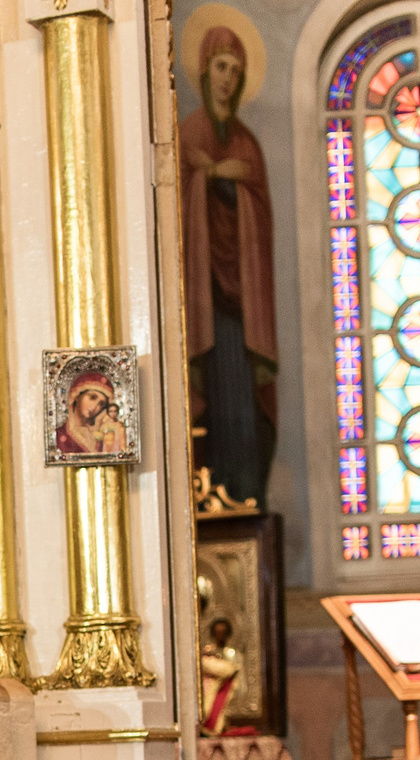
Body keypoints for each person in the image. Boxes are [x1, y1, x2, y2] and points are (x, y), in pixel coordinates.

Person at [179, 24, 277, 506]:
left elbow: (259, 218)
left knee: (244, 410)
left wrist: (224, 179)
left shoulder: (247, 144)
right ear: (204, 70)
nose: (227, 80)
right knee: (214, 404)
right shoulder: (188, 135)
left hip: (240, 305)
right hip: (204, 299)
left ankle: (246, 494)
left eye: (236, 73)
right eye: (221, 67)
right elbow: (177, 204)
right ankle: (212, 493)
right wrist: (212, 176)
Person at [55, 367, 130, 458]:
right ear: (77, 395)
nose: (95, 407)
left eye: (101, 404)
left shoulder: (102, 433)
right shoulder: (60, 434)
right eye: (92, 397)